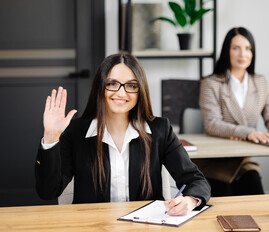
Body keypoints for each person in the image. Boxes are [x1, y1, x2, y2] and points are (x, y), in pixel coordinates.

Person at [35, 52, 210, 216]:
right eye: (112, 84)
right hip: (91, 229)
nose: (121, 93)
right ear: (100, 87)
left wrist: (190, 200)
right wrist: (51, 137)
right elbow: (48, 191)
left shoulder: (160, 130)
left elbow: (195, 180)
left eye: (131, 86)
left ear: (140, 90)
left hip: (146, 230)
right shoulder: (76, 132)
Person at [198, 27, 269, 196]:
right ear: (226, 51)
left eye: (248, 48)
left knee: (255, 192)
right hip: (216, 160)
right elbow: (212, 124)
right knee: (225, 199)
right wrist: (248, 132)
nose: (242, 54)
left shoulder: (260, 82)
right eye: (236, 48)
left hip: (244, 159)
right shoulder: (211, 83)